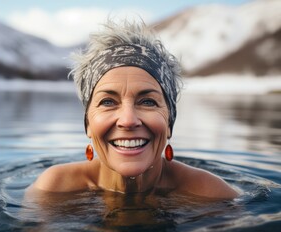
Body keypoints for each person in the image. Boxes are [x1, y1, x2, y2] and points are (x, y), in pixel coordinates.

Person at [26, 19, 239, 199]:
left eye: (148, 102)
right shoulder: (55, 188)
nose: (128, 120)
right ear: (88, 124)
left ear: (170, 123)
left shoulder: (210, 195)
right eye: (108, 102)